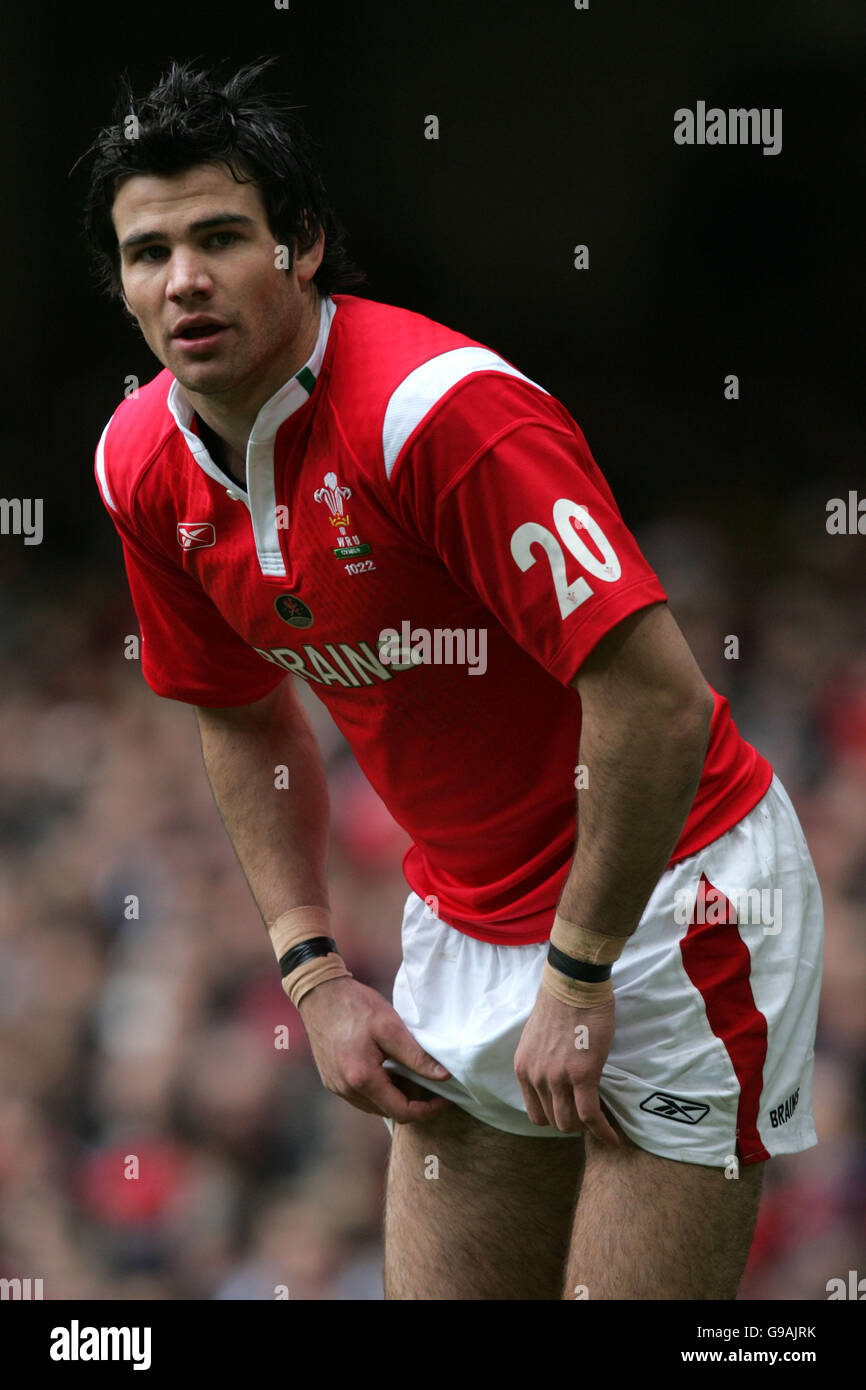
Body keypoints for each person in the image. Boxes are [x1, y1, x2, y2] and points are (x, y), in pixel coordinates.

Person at [82, 57, 823, 1300]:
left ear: (304, 245)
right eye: (149, 252)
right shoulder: (139, 462)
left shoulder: (440, 415)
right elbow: (233, 706)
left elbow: (657, 701)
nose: (184, 280)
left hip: (665, 908)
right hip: (461, 922)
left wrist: (578, 974)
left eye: (220, 238)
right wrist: (312, 972)